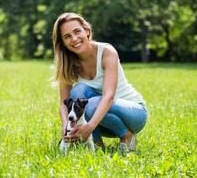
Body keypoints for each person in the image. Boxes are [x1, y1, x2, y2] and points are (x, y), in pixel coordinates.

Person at [52, 12, 147, 153]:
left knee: (89, 104)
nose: (74, 39)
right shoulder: (68, 63)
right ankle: (97, 146)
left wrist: (88, 128)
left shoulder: (107, 52)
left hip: (134, 114)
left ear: (87, 30)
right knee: (77, 92)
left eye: (77, 31)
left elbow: (108, 96)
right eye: (67, 36)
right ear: (63, 43)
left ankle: (127, 135)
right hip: (103, 121)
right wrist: (66, 127)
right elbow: (64, 103)